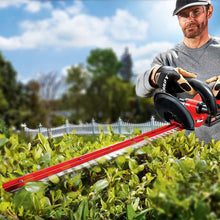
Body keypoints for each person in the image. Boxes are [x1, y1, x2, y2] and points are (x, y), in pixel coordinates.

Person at [135, 0, 220, 143]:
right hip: (185, 151)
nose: (190, 19)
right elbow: (140, 89)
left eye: (196, 12)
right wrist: (156, 75)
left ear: (209, 12)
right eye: (183, 15)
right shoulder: (167, 58)